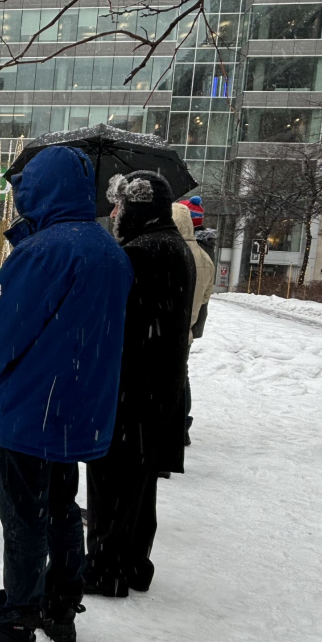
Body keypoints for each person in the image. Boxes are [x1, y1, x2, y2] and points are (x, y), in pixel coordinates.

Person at [0, 146, 133, 642]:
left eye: (25, 184)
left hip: (31, 411)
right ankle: (59, 606)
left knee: (23, 516)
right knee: (59, 507)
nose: (18, 193)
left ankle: (14, 627)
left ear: (43, 187)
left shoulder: (45, 252)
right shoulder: (108, 250)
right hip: (77, 410)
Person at [84, 172, 196, 598]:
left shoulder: (142, 252)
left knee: (112, 481)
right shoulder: (172, 245)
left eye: (120, 207)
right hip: (156, 389)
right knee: (139, 484)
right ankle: (133, 563)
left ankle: (105, 570)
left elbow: (112, 319)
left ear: (137, 206)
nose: (114, 215)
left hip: (131, 388)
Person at [173, 203, 214, 446]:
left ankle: (170, 426)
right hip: (185, 329)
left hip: (162, 327)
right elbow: (206, 297)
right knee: (181, 375)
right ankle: (183, 424)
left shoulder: (168, 250)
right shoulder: (203, 257)